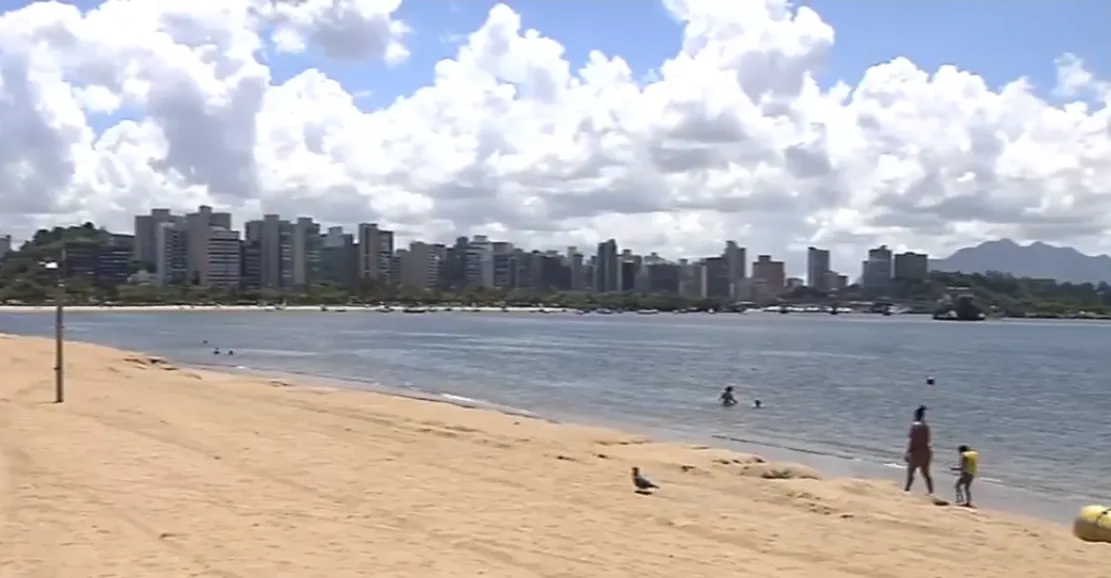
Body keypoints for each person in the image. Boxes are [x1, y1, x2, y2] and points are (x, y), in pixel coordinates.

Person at [904, 405, 934, 495]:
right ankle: (931, 491)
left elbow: (912, 440)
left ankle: (907, 489)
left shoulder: (914, 426)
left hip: (916, 451)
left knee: (911, 472)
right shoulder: (926, 426)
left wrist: (908, 452)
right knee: (926, 473)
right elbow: (928, 440)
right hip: (926, 451)